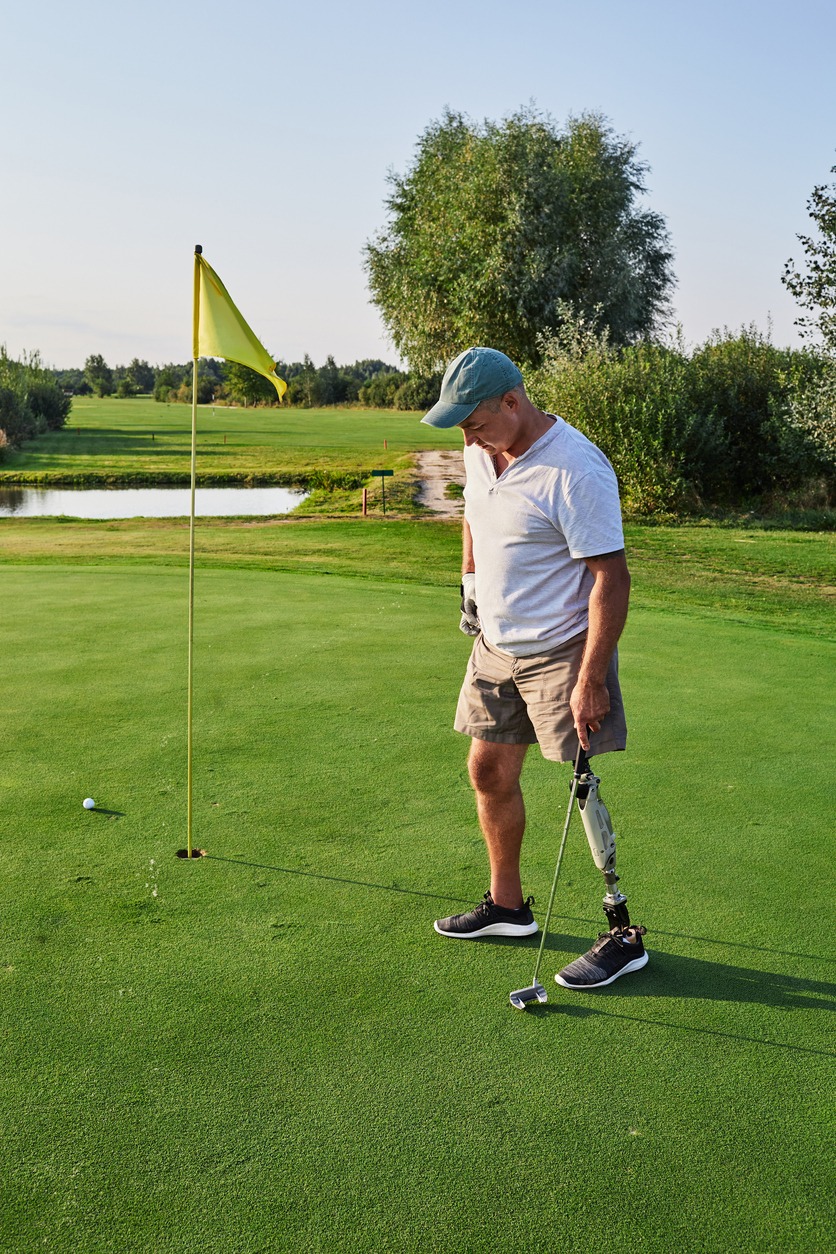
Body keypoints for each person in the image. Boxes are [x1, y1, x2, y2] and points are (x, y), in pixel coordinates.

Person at [422, 346, 648, 990]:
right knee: (487, 768)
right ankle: (509, 908)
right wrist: (469, 581)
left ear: (512, 403)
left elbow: (612, 576)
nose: (467, 435)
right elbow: (475, 512)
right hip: (495, 644)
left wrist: (592, 677)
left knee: (582, 785)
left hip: (560, 647)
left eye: (474, 421)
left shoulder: (576, 469)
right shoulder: (479, 447)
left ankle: (622, 932)